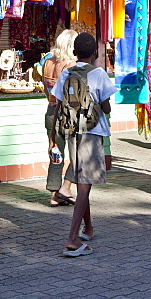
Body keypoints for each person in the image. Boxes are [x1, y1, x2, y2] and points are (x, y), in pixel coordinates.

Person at [51, 32, 117, 257]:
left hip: (71, 132)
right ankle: (72, 238)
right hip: (91, 132)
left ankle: (88, 228)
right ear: (96, 53)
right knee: (85, 185)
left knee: (81, 180)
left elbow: (57, 105)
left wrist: (53, 139)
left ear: (75, 52)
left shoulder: (67, 72)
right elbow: (106, 107)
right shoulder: (98, 73)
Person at [42, 29, 77, 207]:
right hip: (66, 114)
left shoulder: (47, 62)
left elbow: (45, 88)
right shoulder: (70, 65)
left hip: (50, 110)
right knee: (79, 154)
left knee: (56, 154)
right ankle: (66, 187)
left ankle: (54, 194)